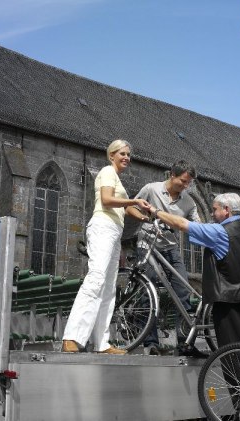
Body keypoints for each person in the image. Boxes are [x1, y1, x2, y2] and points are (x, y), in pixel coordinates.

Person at [62, 139, 151, 355]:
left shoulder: (117, 180)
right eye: (122, 153)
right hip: (103, 227)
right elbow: (107, 200)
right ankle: (72, 337)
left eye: (129, 154)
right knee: (96, 279)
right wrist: (134, 202)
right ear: (111, 155)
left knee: (109, 287)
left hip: (114, 232)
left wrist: (147, 217)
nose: (126, 158)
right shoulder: (107, 171)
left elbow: (125, 208)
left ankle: (101, 343)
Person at [148, 192, 240, 350]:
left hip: (228, 301)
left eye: (214, 210)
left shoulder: (220, 232)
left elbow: (181, 224)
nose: (212, 214)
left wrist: (156, 211)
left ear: (226, 209)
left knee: (231, 353)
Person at [125, 160, 200, 356]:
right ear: (172, 175)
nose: (185, 186)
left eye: (188, 183)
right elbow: (130, 208)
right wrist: (145, 218)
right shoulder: (151, 189)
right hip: (147, 245)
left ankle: (185, 343)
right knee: (147, 293)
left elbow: (197, 224)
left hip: (171, 248)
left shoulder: (188, 202)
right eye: (183, 181)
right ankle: (151, 344)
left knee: (183, 291)